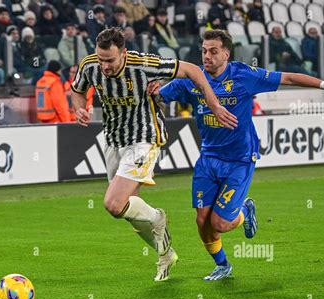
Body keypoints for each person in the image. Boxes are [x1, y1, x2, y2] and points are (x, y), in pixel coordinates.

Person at [148, 29, 324, 280]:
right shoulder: (192, 79)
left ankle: (245, 211)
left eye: (213, 51)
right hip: (208, 159)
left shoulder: (244, 75)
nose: (207, 56)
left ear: (226, 53)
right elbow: (159, 96)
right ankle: (223, 266)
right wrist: (153, 89)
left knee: (220, 224)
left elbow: (288, 78)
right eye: (204, 51)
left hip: (239, 159)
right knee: (202, 220)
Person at [71, 27, 236, 281]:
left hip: (144, 139)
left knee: (113, 204)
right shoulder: (90, 65)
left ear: (123, 53)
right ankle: (166, 253)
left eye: (110, 60)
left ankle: (158, 218)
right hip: (114, 141)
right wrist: (80, 108)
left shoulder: (144, 64)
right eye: (101, 59)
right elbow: (78, 90)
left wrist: (214, 104)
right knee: (127, 211)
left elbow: (192, 70)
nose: (104, 66)